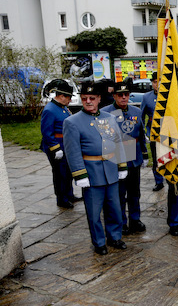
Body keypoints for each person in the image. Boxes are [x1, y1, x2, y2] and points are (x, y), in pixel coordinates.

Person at [63, 81, 128, 255]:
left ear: (99, 98)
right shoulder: (72, 122)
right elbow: (72, 151)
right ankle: (99, 242)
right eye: (84, 98)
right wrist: (79, 174)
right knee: (94, 212)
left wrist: (122, 165)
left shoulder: (109, 118)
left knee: (114, 208)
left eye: (92, 98)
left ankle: (114, 237)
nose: (88, 101)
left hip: (111, 170)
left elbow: (118, 142)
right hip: (91, 173)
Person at [101, 78, 148, 235]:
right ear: (114, 95)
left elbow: (141, 135)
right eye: (120, 95)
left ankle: (135, 219)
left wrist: (144, 154)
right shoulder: (105, 112)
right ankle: (121, 222)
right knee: (119, 193)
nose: (123, 98)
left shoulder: (136, 111)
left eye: (126, 94)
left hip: (133, 156)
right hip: (116, 156)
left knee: (134, 192)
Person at [40, 79, 78, 209]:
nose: (70, 100)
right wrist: (55, 149)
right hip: (57, 147)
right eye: (68, 97)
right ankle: (61, 199)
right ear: (61, 96)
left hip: (65, 146)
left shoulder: (62, 107)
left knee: (67, 172)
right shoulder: (50, 110)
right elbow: (47, 132)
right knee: (60, 173)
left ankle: (69, 195)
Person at [140, 72, 164, 191]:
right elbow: (142, 115)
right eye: (155, 82)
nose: (157, 84)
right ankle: (158, 181)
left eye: (159, 81)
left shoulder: (168, 95)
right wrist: (143, 132)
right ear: (152, 83)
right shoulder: (147, 97)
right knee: (156, 158)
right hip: (153, 131)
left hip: (167, 131)